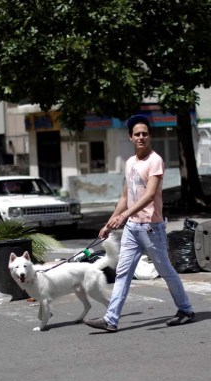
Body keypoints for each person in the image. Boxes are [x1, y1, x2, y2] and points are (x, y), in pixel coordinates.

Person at [84, 115, 195, 332]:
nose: (141, 137)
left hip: (152, 228)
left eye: (145, 133)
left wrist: (123, 216)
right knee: (123, 273)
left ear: (150, 136)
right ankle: (111, 319)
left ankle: (186, 309)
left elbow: (150, 195)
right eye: (137, 134)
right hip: (132, 229)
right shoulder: (130, 163)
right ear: (130, 137)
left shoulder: (155, 161)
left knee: (166, 272)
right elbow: (126, 197)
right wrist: (109, 224)